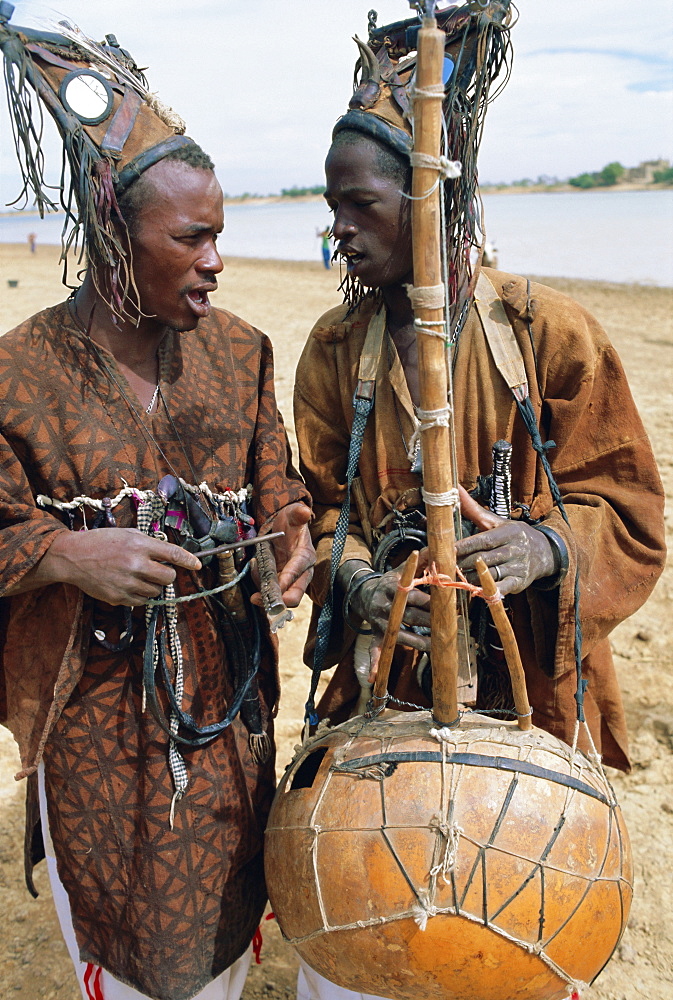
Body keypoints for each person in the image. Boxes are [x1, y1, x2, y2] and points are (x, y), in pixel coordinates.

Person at [293, 12, 665, 996]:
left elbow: (628, 506)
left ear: (426, 202)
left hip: (531, 702)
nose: (337, 230)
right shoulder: (336, 353)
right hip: (387, 700)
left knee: (518, 931)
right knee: (371, 928)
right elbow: (312, 511)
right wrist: (365, 584)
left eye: (358, 207)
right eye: (332, 208)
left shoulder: (546, 331)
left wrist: (544, 548)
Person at [0, 14, 313, 1000]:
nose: (217, 260)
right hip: (90, 724)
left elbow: (282, 485)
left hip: (224, 713)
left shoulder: (241, 352)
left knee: (217, 921)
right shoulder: (17, 373)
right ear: (112, 237)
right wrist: (60, 554)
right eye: (193, 236)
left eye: (221, 234)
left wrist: (290, 541)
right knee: (122, 934)